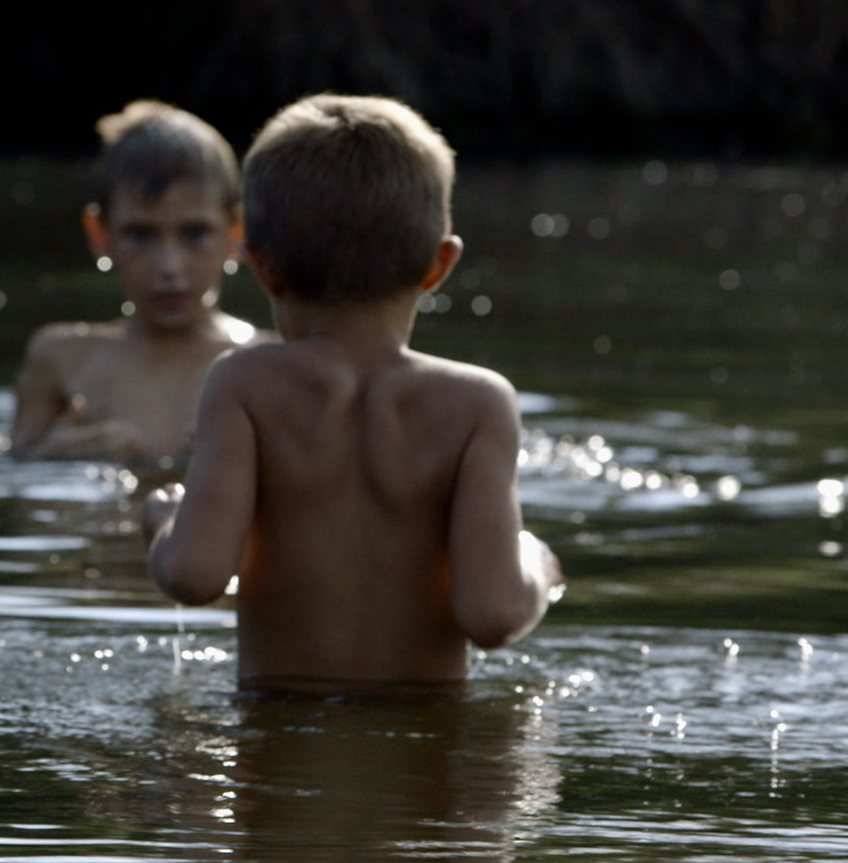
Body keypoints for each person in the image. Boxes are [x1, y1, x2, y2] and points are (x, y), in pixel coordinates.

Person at [143, 93, 563, 693]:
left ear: (260, 265)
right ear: (439, 265)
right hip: (430, 751)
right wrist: (538, 564)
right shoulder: (478, 404)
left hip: (276, 734)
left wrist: (164, 520)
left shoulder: (245, 384)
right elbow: (495, 614)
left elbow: (194, 574)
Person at [11, 100, 259, 471]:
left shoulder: (267, 365)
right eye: (140, 235)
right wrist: (52, 459)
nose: (169, 267)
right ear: (100, 235)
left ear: (236, 233)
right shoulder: (61, 360)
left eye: (194, 234)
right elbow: (13, 489)